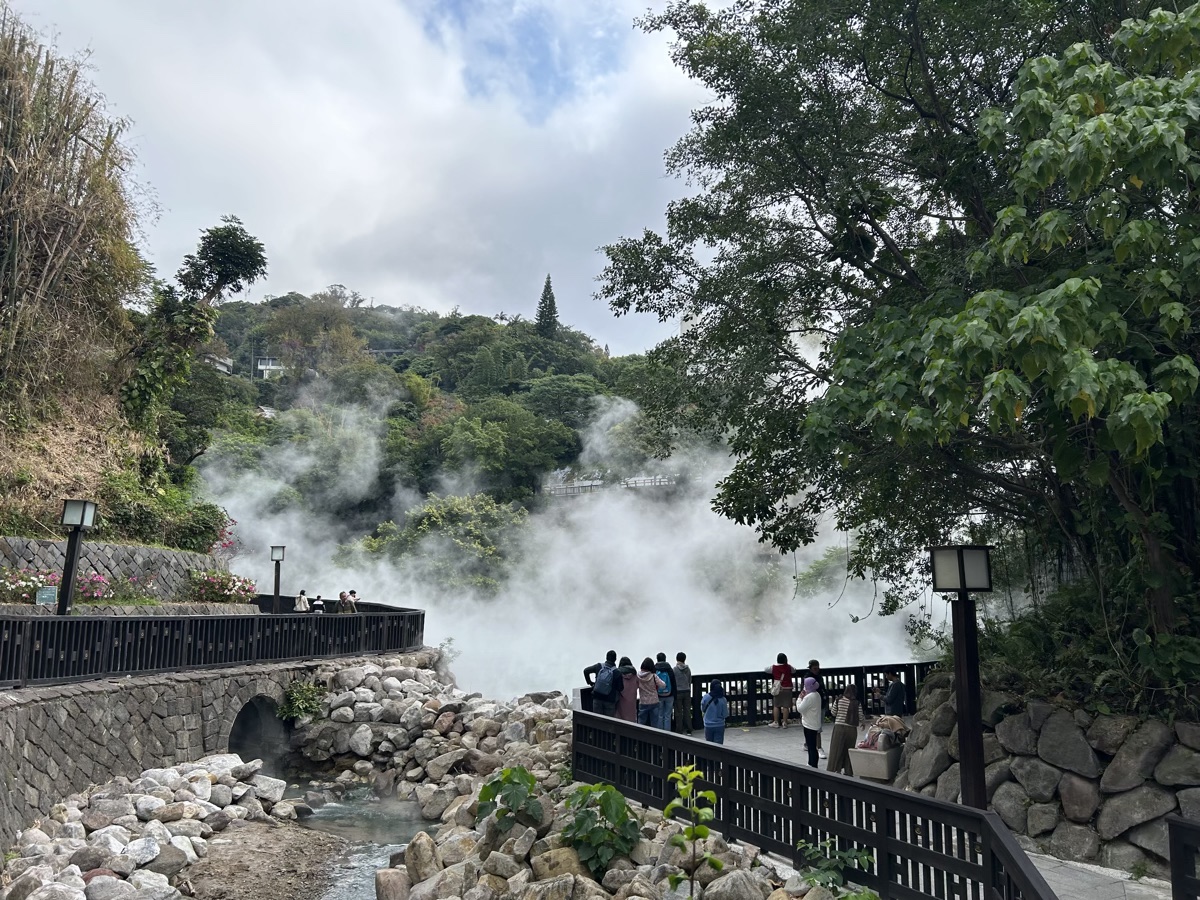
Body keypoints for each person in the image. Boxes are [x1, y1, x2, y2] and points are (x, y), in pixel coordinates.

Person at [826, 684, 866, 776]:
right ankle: (848, 771)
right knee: (849, 749)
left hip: (839, 728)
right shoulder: (857, 703)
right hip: (851, 729)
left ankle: (834, 769)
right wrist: (863, 723)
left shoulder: (838, 700)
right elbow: (860, 716)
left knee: (836, 749)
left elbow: (833, 712)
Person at [583, 650, 621, 717]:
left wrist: (590, 683)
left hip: (597, 698)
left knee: (597, 721)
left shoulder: (599, 666)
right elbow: (620, 687)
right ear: (615, 659)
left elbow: (586, 671)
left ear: (606, 657)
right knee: (608, 723)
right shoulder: (617, 672)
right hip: (610, 701)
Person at [797, 677, 823, 767]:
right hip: (815, 723)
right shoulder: (817, 695)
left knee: (811, 746)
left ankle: (812, 764)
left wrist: (800, 699)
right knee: (813, 745)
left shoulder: (808, 697)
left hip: (809, 724)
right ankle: (812, 763)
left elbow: (800, 709)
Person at [804, 659, 827, 757]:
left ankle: (807, 743)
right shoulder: (808, 678)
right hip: (812, 705)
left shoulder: (820, 677)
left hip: (821, 703)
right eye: (814, 668)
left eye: (818, 668)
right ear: (810, 668)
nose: (817, 670)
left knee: (814, 727)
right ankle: (819, 747)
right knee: (817, 728)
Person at [768, 652, 796, 728]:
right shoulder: (789, 667)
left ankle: (776, 722)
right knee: (786, 706)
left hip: (778, 689)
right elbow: (794, 670)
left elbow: (766, 670)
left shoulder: (773, 667)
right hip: (788, 688)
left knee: (776, 705)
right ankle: (785, 723)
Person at [636, 657, 665, 727]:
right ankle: (654, 737)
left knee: (641, 722)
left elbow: (635, 687)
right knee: (654, 723)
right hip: (654, 701)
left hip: (643, 702)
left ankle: (640, 736)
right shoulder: (654, 676)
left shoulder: (638, 676)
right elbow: (663, 685)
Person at [701, 679, 728, 744]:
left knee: (709, 745)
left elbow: (702, 709)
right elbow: (725, 714)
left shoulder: (706, 697)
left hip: (708, 725)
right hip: (719, 725)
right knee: (718, 746)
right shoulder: (723, 699)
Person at [654, 653, 675, 731]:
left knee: (660, 715)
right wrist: (674, 694)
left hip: (658, 695)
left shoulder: (655, 669)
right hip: (669, 695)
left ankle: (660, 733)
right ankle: (667, 733)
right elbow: (673, 682)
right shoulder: (669, 669)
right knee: (667, 715)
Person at [672, 652, 693, 734]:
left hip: (678, 692)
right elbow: (689, 680)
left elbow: (673, 681)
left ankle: (679, 730)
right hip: (687, 691)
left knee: (678, 712)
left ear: (677, 659)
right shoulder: (688, 669)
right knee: (687, 711)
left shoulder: (674, 670)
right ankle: (689, 729)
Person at [615, 656, 639, 722]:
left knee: (620, 720)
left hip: (621, 701)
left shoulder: (618, 674)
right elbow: (638, 685)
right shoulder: (634, 675)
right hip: (632, 703)